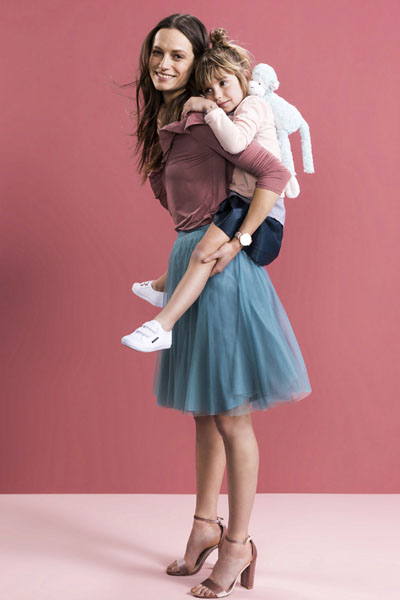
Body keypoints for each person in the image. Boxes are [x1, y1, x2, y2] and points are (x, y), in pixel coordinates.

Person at [122, 13, 312, 598]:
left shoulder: (210, 120)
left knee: (230, 414)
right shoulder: (171, 124)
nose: (164, 64)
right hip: (189, 261)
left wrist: (241, 238)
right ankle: (205, 525)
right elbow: (183, 205)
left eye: (178, 55)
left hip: (223, 275)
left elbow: (273, 172)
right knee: (204, 413)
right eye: (158, 52)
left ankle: (239, 545)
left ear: (197, 63)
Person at [122, 28, 287, 353]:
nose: (218, 95)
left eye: (224, 83)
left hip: (255, 213)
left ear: (244, 76)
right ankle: (160, 288)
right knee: (196, 253)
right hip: (238, 205)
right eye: (208, 90)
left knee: (201, 255)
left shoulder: (247, 109)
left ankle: (161, 325)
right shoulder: (225, 115)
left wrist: (209, 110)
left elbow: (259, 161)